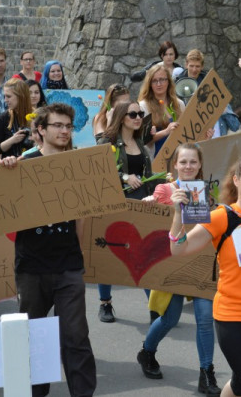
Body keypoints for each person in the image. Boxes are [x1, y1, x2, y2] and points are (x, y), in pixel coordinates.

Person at [168, 154, 241, 396]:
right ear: (236, 180)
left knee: (240, 383)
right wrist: (177, 216)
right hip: (234, 317)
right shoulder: (221, 217)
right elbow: (179, 249)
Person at [0, 103, 97, 397]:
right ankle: (34, 392)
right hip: (31, 267)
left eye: (68, 126)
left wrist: (79, 257)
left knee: (76, 336)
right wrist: (4, 171)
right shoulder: (22, 163)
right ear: (40, 130)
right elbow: (3, 210)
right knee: (32, 337)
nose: (64, 131)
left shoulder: (79, 164)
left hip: (68, 266)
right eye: (57, 125)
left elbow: (82, 214)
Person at [137, 143, 222, 396]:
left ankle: (206, 372)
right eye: (183, 162)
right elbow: (151, 222)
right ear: (175, 165)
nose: (188, 166)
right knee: (170, 318)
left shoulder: (206, 191)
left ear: (199, 165)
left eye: (193, 162)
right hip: (171, 261)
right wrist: (150, 203)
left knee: (205, 319)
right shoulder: (164, 189)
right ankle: (147, 351)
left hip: (201, 262)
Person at [94, 101, 155, 324]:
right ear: (121, 117)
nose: (138, 117)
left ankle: (154, 307)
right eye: (133, 114)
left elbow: (146, 173)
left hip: (140, 205)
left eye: (140, 113)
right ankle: (105, 303)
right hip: (115, 204)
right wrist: (123, 177)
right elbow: (99, 171)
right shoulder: (106, 142)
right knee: (109, 254)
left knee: (144, 253)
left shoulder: (140, 141)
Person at [138, 64, 185, 156]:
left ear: (168, 81)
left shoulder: (179, 104)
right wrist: (166, 131)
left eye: (162, 80)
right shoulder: (143, 106)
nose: (159, 84)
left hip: (177, 157)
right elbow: (142, 140)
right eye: (154, 81)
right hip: (155, 159)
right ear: (149, 84)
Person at [0, 78, 34, 159]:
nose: (5, 100)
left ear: (21, 96)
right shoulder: (3, 118)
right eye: (4, 96)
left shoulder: (36, 116)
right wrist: (12, 140)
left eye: (8, 96)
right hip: (10, 166)